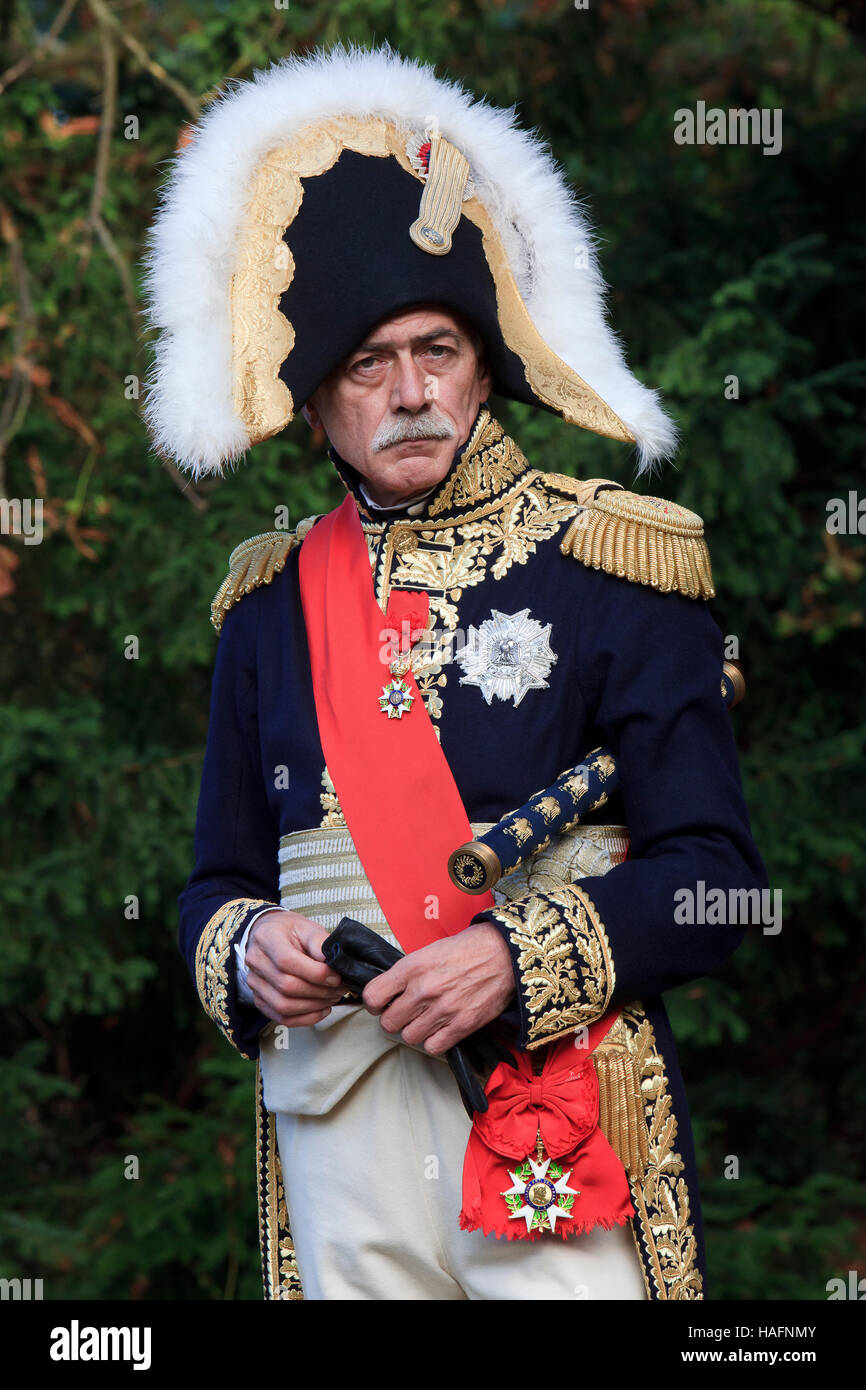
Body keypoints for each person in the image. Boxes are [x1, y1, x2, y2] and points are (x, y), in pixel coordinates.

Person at [142, 44, 767, 1301]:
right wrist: (248, 945)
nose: (413, 391)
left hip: (552, 1097)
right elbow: (215, 877)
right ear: (314, 400)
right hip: (335, 1114)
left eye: (437, 348)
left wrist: (518, 956)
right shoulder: (266, 605)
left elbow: (719, 882)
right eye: (369, 364)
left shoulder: (615, 564)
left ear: (486, 361)